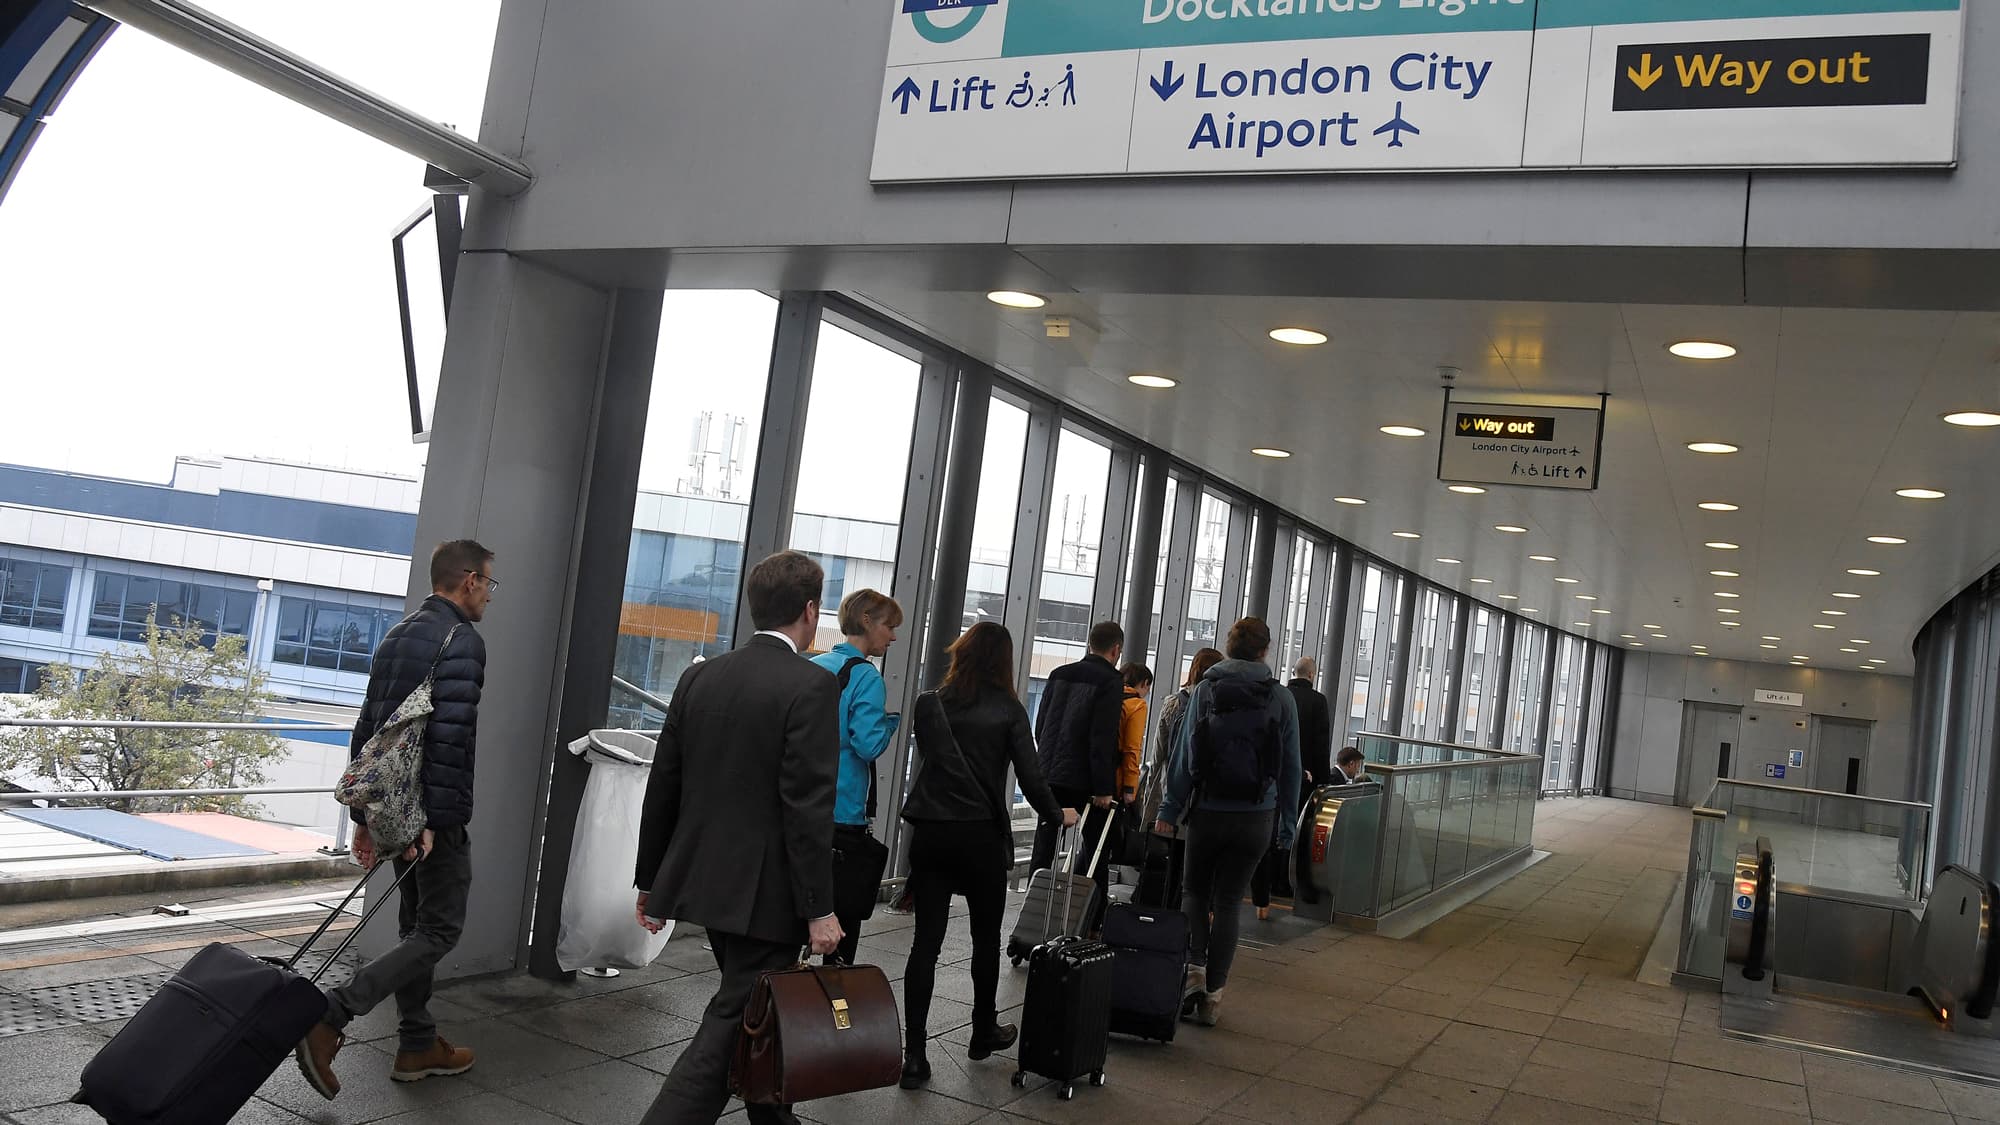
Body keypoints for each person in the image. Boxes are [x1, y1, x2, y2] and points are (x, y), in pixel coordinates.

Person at [632, 551, 843, 1125]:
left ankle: (773, 1117)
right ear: (809, 608)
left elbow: (664, 785)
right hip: (766, 895)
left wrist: (652, 881)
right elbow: (807, 809)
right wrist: (819, 908)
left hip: (705, 879)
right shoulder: (811, 686)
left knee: (754, 1007)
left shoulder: (700, 676)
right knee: (729, 1024)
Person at [295, 540, 495, 1099]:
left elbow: (370, 731)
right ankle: (333, 1013)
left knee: (415, 929)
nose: (489, 596)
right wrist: (435, 819)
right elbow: (451, 739)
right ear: (469, 580)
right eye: (489, 584)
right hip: (430, 817)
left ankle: (417, 1043)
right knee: (439, 930)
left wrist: (365, 816)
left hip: (394, 808)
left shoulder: (398, 634)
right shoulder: (464, 641)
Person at [897, 622, 1075, 1090]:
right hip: (980, 838)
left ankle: (914, 1054)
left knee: (925, 946)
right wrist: (1059, 815)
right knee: (984, 940)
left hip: (932, 834)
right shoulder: (1009, 710)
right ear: (1004, 661)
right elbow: (1033, 778)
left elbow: (933, 768)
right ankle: (982, 1031)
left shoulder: (929, 703)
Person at [1155, 617, 1300, 1029]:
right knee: (1229, 902)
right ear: (1265, 651)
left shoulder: (1205, 690)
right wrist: (1287, 826)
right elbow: (1291, 769)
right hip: (1256, 816)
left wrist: (1169, 810)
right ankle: (1213, 997)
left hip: (1208, 812)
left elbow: (1185, 756)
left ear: (1229, 647)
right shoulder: (1282, 699)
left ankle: (1195, 969)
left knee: (1195, 892)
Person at [807, 589, 904, 967]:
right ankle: (835, 1006)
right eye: (889, 626)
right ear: (867, 621)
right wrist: (891, 722)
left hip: (804, 803)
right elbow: (868, 745)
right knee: (844, 919)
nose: (893, 637)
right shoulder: (866, 677)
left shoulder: (817, 665)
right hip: (843, 809)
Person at [1028, 621, 1126, 923]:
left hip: (1049, 774)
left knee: (1044, 845)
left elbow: (1041, 726)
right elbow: (1101, 737)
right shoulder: (1111, 681)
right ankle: (1093, 918)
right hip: (1084, 779)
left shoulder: (1058, 675)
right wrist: (1103, 787)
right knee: (1097, 846)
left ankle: (1033, 910)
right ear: (1116, 650)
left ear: (1089, 644)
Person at [1138, 648, 1222, 830]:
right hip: (1204, 797)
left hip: (1171, 791)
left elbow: (1158, 754)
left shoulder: (1172, 703)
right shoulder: (1220, 707)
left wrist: (1150, 803)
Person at [1287, 658, 1334, 794]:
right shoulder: (1318, 701)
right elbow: (1321, 743)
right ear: (1311, 675)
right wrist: (1324, 779)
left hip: (1280, 769)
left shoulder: (1281, 694)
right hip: (1308, 775)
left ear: (1294, 672)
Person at [1117, 662, 1152, 808]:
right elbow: (1132, 748)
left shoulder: (1109, 695)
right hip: (1116, 776)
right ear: (1144, 683)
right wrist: (1130, 787)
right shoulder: (1137, 705)